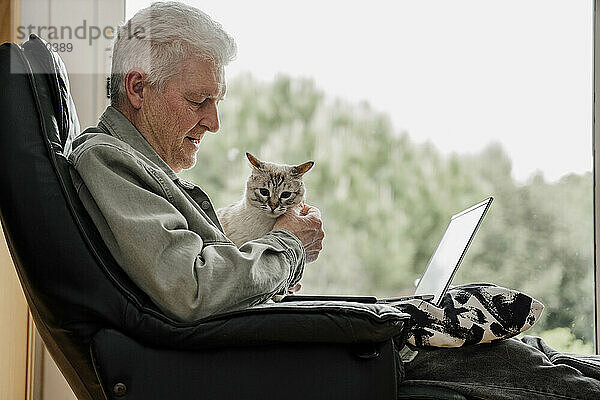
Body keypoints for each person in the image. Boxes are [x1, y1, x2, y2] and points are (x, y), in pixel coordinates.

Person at [68, 2, 600, 399]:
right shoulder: (107, 161)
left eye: (217, 100)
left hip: (284, 346)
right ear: (138, 88)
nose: (213, 121)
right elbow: (193, 290)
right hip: (289, 363)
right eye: (197, 100)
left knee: (537, 355)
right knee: (530, 369)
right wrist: (287, 246)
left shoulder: (141, 171)